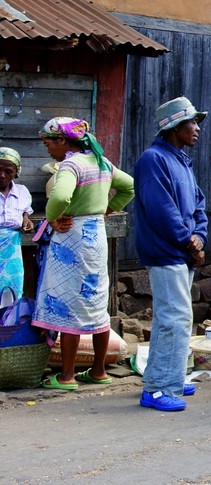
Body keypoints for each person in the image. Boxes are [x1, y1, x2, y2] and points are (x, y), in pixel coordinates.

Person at [32, 117, 134, 390]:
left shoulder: (71, 165)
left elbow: (60, 197)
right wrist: (108, 209)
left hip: (72, 238)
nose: (48, 150)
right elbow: (128, 186)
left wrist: (54, 218)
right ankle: (99, 371)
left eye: (48, 143)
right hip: (96, 237)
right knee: (96, 305)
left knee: (68, 304)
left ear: (62, 141)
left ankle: (66, 377)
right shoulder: (101, 163)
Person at [134, 97, 208, 411]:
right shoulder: (153, 159)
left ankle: (171, 379)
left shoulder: (180, 160)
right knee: (172, 320)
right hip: (167, 252)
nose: (197, 129)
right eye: (192, 123)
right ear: (175, 127)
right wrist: (188, 241)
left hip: (181, 252)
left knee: (177, 318)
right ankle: (157, 389)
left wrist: (200, 237)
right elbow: (162, 212)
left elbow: (199, 205)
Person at [0, 147, 34, 299]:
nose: (2, 175)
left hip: (12, 248)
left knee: (10, 287)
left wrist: (26, 219)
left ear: (16, 172)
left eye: (8, 171)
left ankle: (7, 321)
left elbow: (25, 210)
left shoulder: (22, 191)